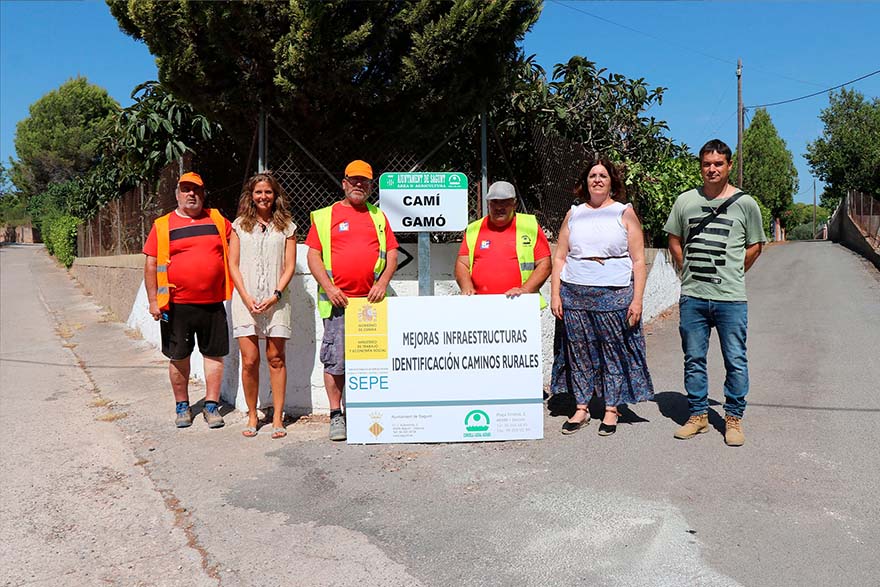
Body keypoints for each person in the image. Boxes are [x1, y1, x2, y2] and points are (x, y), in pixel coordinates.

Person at [664, 139, 766, 446]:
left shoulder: (746, 204)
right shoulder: (685, 201)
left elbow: (755, 246)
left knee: (735, 358)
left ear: (729, 166)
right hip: (693, 297)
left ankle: (733, 418)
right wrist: (686, 272)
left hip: (731, 299)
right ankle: (698, 415)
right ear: (701, 166)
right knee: (693, 357)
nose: (712, 169)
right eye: (707, 164)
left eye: (718, 164)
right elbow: (674, 239)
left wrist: (734, 272)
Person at [549, 157, 654, 436]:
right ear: (586, 182)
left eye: (603, 176)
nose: (597, 179)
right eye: (593, 175)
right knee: (579, 353)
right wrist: (555, 294)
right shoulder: (574, 213)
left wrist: (638, 300)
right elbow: (559, 257)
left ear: (612, 182)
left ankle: (610, 409)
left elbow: (639, 261)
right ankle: (581, 408)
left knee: (613, 353)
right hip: (574, 293)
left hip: (615, 295)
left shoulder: (624, 212)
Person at [305, 160, 399, 441]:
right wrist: (329, 288)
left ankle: (367, 414)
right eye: (354, 180)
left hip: (371, 305)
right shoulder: (325, 216)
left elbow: (392, 253)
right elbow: (312, 255)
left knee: (372, 361)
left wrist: (382, 283)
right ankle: (337, 415)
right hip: (339, 304)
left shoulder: (378, 216)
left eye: (365, 182)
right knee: (335, 362)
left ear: (371, 187)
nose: (359, 185)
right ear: (343, 183)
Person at [143, 172, 232, 429]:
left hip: (213, 303)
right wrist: (152, 301)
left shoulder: (217, 219)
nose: (191, 194)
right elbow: (150, 263)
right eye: (186, 189)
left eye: (196, 190)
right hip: (176, 305)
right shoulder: (162, 225)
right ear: (178, 194)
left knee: (214, 355)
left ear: (203, 194)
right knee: (179, 357)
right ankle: (182, 406)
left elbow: (237, 242)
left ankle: (211, 406)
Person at [228, 173, 297, 439]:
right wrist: (246, 297)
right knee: (250, 360)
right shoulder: (239, 226)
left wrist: (276, 294)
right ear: (251, 196)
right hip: (245, 301)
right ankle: (252, 414)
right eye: (258, 192)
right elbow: (233, 264)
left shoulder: (287, 227)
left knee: (276, 359)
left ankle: (278, 417)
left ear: (275, 195)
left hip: (277, 301)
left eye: (268, 192)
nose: (263, 197)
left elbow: (289, 265)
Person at [455, 180, 551, 303]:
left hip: (519, 302)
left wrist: (525, 290)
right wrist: (467, 287)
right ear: (488, 204)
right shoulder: (474, 228)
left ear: (514, 204)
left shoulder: (529, 225)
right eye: (494, 202)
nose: (499, 207)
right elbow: (462, 264)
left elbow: (545, 264)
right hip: (479, 303)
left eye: (505, 202)